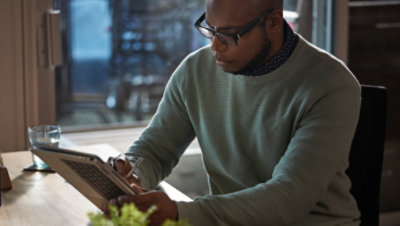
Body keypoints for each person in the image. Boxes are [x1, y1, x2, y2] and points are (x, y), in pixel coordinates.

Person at [105, 0, 362, 225]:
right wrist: (132, 176)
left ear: (272, 22)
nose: (215, 46)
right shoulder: (195, 70)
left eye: (228, 34)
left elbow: (289, 197)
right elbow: (154, 151)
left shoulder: (331, 85)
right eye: (210, 29)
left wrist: (179, 213)